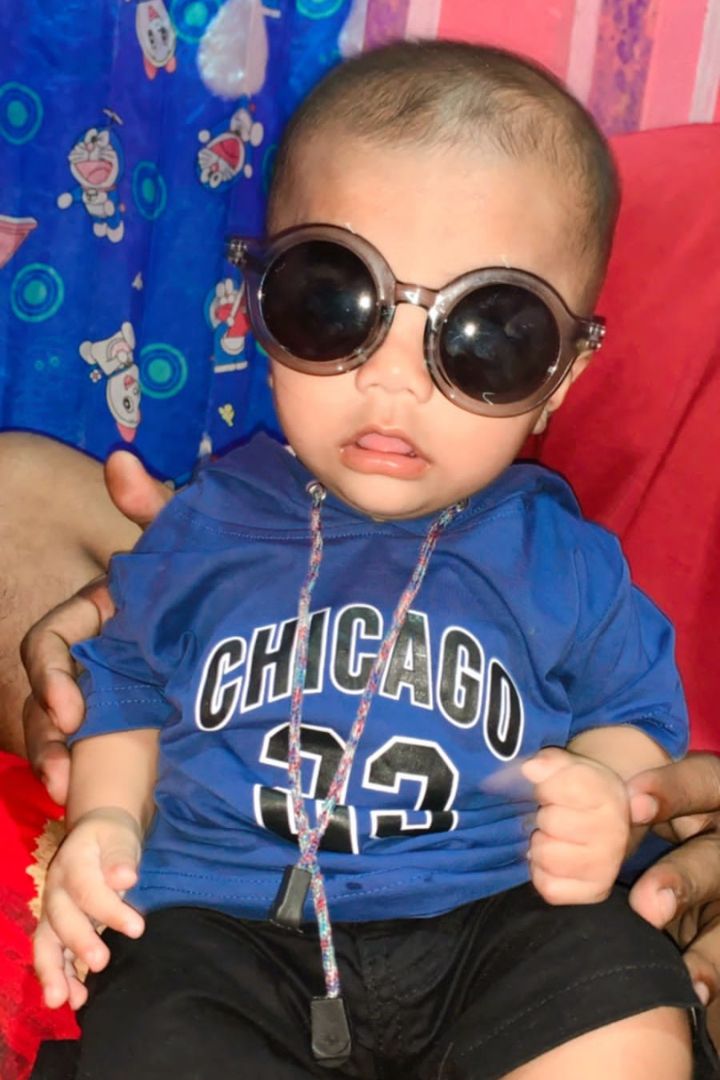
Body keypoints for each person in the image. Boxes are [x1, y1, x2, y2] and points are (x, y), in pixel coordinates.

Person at [22, 40, 720, 1079]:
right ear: (257, 305)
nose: (394, 383)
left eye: (487, 337)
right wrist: (108, 819)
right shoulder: (203, 524)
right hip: (230, 926)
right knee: (153, 1019)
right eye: (333, 303)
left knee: (622, 997)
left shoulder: (565, 559)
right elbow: (123, 682)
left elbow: (631, 714)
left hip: (498, 915)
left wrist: (602, 794)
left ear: (563, 377)